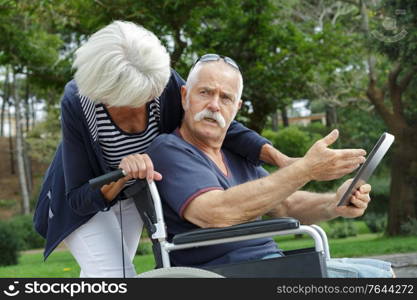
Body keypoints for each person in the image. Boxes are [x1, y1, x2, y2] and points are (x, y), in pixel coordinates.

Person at [33, 21, 295, 278]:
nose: (143, 107)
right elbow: (79, 197)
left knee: (102, 278)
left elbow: (220, 123)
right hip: (88, 201)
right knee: (115, 274)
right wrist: (123, 174)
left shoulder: (161, 81)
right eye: (133, 100)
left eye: (149, 95)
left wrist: (282, 160)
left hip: (134, 195)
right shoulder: (79, 102)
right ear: (106, 92)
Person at [147, 54, 394, 277]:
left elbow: (285, 205)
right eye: (205, 92)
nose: (214, 104)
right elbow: (214, 212)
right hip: (225, 274)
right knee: (378, 280)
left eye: (225, 98)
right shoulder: (169, 149)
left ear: (237, 108)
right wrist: (306, 169)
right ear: (184, 96)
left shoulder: (236, 154)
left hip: (270, 265)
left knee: (384, 272)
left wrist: (334, 203)